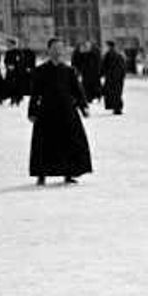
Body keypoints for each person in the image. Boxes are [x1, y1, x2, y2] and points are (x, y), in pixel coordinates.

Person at [29, 38, 92, 186]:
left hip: (67, 111)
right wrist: (32, 111)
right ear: (49, 50)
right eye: (54, 48)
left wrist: (83, 107)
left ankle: (69, 173)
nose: (57, 52)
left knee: (70, 143)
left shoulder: (69, 71)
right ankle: (42, 174)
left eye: (60, 49)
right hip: (47, 112)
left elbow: (77, 91)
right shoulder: (40, 71)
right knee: (44, 144)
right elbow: (35, 93)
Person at [101, 40, 127, 115]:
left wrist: (101, 73)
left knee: (111, 93)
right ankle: (118, 108)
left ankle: (115, 107)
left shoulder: (108, 55)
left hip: (111, 77)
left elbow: (104, 65)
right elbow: (123, 66)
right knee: (117, 93)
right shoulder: (118, 55)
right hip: (118, 77)